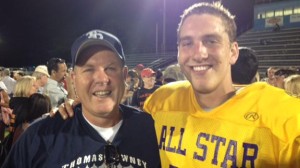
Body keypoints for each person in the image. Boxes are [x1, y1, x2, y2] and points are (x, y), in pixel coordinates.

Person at [56, 2, 300, 167]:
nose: (199, 53)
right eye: (187, 43)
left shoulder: (282, 115)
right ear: (179, 52)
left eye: (211, 41)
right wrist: (78, 109)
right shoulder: (162, 101)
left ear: (233, 51)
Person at [2, 29, 161, 167]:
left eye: (110, 68)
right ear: (74, 79)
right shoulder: (39, 136)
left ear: (124, 75)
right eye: (89, 69)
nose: (102, 79)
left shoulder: (151, 129)